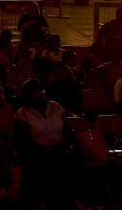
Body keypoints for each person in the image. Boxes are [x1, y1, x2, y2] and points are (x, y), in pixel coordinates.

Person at [14, 79, 78, 210]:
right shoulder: (24, 112)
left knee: (67, 160)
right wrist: (44, 149)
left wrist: (65, 145)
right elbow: (25, 139)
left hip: (59, 147)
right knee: (44, 163)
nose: (42, 92)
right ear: (29, 95)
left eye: (41, 89)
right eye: (37, 91)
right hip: (37, 151)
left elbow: (66, 130)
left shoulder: (55, 106)